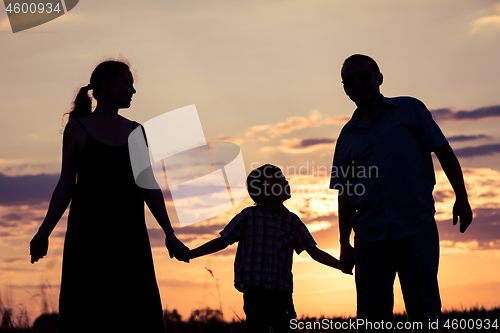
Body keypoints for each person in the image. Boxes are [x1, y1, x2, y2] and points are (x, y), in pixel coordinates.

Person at [29, 60, 190, 333]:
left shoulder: (135, 131)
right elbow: (66, 183)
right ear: (105, 85)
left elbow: (148, 185)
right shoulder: (77, 128)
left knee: (138, 312)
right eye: (127, 83)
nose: (132, 91)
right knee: (88, 314)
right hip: (87, 237)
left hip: (129, 236)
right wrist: (43, 232)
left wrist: (169, 233)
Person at [330, 54, 473, 332]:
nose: (357, 83)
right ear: (345, 88)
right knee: (372, 320)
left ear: (379, 78)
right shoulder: (346, 136)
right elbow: (345, 193)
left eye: (363, 76)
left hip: (415, 228)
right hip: (369, 239)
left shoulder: (410, 110)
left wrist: (462, 198)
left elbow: (443, 151)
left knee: (426, 313)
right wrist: (344, 243)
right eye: (349, 80)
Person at [189, 164, 348, 333]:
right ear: (264, 192)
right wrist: (191, 253)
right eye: (278, 179)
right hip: (255, 293)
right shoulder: (248, 216)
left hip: (282, 295)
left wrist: (341, 265)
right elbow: (222, 241)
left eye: (284, 178)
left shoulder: (293, 221)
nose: (286, 181)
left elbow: (314, 252)